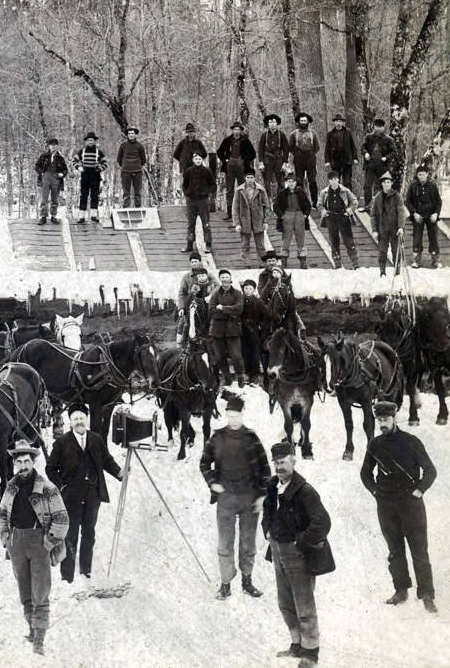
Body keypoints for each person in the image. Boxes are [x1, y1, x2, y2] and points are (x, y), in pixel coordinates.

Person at [360, 401, 437, 614]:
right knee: (394, 549)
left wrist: (419, 490)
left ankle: (427, 595)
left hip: (411, 504)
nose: (382, 424)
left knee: (419, 549)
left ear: (394, 418)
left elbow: (430, 471)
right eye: (379, 420)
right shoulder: (374, 444)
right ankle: (401, 590)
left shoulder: (411, 441)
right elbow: (365, 473)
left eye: (385, 420)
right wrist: (375, 491)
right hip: (386, 505)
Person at [263, 441, 333, 668]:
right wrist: (267, 529)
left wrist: (300, 541)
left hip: (297, 555)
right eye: (276, 462)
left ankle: (310, 654)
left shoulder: (305, 491)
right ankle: (296, 645)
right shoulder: (273, 486)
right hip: (277, 550)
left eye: (283, 462)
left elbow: (322, 522)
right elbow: (268, 510)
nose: (279, 467)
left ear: (293, 460)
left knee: (304, 605)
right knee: (285, 603)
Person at [0, 439, 68, 656]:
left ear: (34, 461)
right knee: (25, 591)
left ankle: (39, 640)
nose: (23, 466)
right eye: (19, 462)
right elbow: (2, 513)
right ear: (15, 464)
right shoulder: (10, 487)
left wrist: (48, 542)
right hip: (16, 542)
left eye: (27, 461)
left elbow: (62, 519)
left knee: (40, 592)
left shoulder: (47, 488)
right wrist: (5, 537)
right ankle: (31, 629)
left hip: (39, 542)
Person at [200, 397, 270, 600]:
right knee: (225, 543)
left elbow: (265, 467)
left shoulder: (251, 438)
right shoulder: (217, 438)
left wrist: (263, 495)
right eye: (229, 416)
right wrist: (212, 482)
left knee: (248, 543)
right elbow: (204, 463)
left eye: (236, 416)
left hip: (249, 498)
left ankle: (247, 582)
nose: (232, 420)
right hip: (226, 499)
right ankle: (225, 584)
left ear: (242, 414)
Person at [45, 405, 121, 585]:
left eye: (81, 418)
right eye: (75, 419)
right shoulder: (62, 442)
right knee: (70, 534)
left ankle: (86, 570)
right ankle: (67, 575)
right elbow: (50, 468)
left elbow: (107, 461)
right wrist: (61, 485)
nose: (79, 422)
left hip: (93, 495)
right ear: (70, 422)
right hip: (70, 498)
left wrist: (119, 473)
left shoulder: (96, 439)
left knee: (89, 532)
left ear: (86, 419)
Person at [208, 269, 245, 387]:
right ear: (220, 279)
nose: (224, 279)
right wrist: (230, 312)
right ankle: (227, 377)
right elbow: (211, 310)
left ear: (230, 279)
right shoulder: (215, 294)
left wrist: (223, 308)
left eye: (226, 277)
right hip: (218, 330)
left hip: (233, 329)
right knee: (219, 356)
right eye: (222, 277)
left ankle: (240, 378)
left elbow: (239, 309)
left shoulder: (237, 293)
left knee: (236, 355)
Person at [320, 170, 360, 269]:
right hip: (331, 218)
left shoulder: (345, 191)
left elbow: (354, 201)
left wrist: (350, 210)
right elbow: (319, 204)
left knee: (349, 241)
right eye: (331, 180)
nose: (334, 181)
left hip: (343, 217)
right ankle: (337, 265)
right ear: (329, 181)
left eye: (335, 179)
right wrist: (323, 211)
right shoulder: (324, 192)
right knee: (334, 241)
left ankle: (356, 265)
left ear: (338, 179)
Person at [216, 122, 256, 220]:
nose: (236, 131)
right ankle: (230, 213)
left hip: (241, 166)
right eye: (235, 129)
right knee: (229, 189)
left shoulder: (245, 140)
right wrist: (225, 159)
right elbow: (219, 151)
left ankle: (244, 212)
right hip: (230, 165)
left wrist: (245, 160)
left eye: (238, 129)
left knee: (242, 188)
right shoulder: (227, 140)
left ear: (241, 131)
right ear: (232, 130)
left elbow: (253, 154)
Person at [404, 163, 442, 269]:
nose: (421, 176)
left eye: (423, 174)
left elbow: (439, 201)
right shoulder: (413, 186)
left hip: (431, 215)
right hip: (418, 216)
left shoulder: (432, 185)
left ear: (427, 174)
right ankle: (416, 261)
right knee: (417, 238)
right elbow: (407, 201)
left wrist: (436, 213)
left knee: (433, 237)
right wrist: (414, 213)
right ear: (417, 175)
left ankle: (436, 261)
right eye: (419, 174)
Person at [273, 173, 312, 268]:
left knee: (300, 238)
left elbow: (308, 205)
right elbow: (276, 206)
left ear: (295, 182)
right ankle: (284, 259)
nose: (291, 183)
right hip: (287, 215)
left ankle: (302, 259)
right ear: (287, 182)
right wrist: (281, 215)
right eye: (289, 181)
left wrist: (305, 215)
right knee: (286, 238)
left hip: (299, 215)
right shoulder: (282, 193)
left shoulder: (301, 192)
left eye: (293, 181)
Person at [232, 168, 271, 261]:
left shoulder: (260, 189)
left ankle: (262, 261)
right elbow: (235, 207)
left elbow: (266, 206)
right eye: (248, 177)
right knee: (245, 244)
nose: (250, 179)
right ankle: (246, 262)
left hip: (258, 219)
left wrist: (265, 221)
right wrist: (237, 223)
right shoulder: (239, 190)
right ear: (245, 178)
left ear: (254, 178)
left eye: (252, 177)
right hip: (244, 220)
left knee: (260, 244)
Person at [239, 280, 272, 384]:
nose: (248, 291)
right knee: (245, 353)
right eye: (246, 289)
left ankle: (255, 375)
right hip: (242, 331)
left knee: (255, 353)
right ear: (243, 290)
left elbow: (267, 316)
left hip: (254, 332)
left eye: (250, 289)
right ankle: (247, 373)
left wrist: (260, 326)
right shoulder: (240, 301)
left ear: (253, 290)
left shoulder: (258, 302)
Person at [369, 172, 403, 277]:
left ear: (391, 183)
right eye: (384, 182)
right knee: (382, 251)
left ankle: (397, 273)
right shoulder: (378, 198)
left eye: (388, 182)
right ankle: (382, 272)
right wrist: (374, 230)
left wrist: (401, 227)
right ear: (382, 184)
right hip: (382, 229)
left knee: (395, 251)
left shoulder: (397, 196)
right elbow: (373, 215)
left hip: (394, 229)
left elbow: (401, 212)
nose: (386, 184)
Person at [182, 150, 216, 254]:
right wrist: (187, 193)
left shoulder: (207, 171)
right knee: (190, 223)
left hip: (203, 201)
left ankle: (208, 245)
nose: (198, 161)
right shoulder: (188, 171)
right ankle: (189, 245)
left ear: (202, 160)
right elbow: (184, 184)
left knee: (206, 223)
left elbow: (213, 185)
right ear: (193, 160)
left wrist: (207, 192)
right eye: (196, 159)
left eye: (200, 159)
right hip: (191, 200)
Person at [73, 132, 108, 223]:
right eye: (88, 140)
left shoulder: (98, 151)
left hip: (95, 175)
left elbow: (105, 163)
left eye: (92, 140)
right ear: (86, 141)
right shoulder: (82, 151)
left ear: (95, 141)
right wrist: (79, 167)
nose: (90, 142)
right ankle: (81, 217)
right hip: (85, 174)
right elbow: (74, 161)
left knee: (94, 196)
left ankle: (93, 216)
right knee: (83, 195)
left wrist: (99, 169)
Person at [361, 119, 397, 208]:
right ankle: (367, 204)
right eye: (376, 127)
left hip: (382, 166)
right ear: (374, 127)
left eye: (380, 127)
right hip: (370, 165)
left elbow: (394, 152)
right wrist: (365, 153)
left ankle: (383, 204)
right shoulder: (368, 137)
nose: (378, 129)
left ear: (383, 128)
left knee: (383, 185)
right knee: (367, 185)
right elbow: (363, 147)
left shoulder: (388, 139)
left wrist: (386, 158)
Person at [33, 137, 68, 225]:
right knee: (44, 198)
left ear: (57, 146)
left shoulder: (60, 158)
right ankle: (43, 217)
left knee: (55, 198)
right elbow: (36, 166)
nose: (53, 147)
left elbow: (65, 170)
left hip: (56, 179)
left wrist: (61, 174)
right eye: (51, 145)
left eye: (55, 145)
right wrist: (41, 173)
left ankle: (53, 216)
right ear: (48, 146)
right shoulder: (43, 156)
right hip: (45, 178)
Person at [289, 113, 321, 208]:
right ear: (299, 122)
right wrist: (296, 154)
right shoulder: (293, 134)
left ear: (308, 122)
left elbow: (317, 147)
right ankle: (301, 202)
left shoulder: (313, 133)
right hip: (298, 159)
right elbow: (290, 147)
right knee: (299, 181)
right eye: (301, 121)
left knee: (312, 181)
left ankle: (315, 202)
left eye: (305, 121)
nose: (303, 122)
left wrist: (311, 154)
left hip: (310, 158)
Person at [257, 113, 290, 202]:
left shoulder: (281, 135)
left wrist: (285, 163)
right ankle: (268, 201)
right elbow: (260, 149)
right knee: (267, 182)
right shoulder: (264, 135)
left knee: (281, 182)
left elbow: (286, 149)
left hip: (279, 159)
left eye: (274, 122)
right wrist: (261, 163)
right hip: (267, 160)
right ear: (268, 124)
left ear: (277, 123)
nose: (272, 124)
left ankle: (281, 201)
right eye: (270, 122)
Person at [324, 113, 360, 191]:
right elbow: (327, 148)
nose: (338, 123)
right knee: (335, 182)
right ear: (334, 122)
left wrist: (355, 158)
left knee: (347, 182)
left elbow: (352, 146)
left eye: (340, 121)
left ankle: (349, 200)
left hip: (346, 160)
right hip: (335, 161)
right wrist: (327, 160)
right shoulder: (330, 134)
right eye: (337, 121)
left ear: (342, 122)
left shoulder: (347, 132)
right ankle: (337, 200)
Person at [116, 126, 147, 207]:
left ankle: (138, 208)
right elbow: (119, 158)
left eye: (132, 133)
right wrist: (124, 165)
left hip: (137, 171)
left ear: (135, 135)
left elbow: (143, 159)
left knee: (138, 191)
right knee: (126, 191)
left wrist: (137, 165)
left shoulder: (140, 146)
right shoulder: (123, 145)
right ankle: (126, 208)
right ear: (127, 135)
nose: (131, 135)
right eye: (129, 133)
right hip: (126, 171)